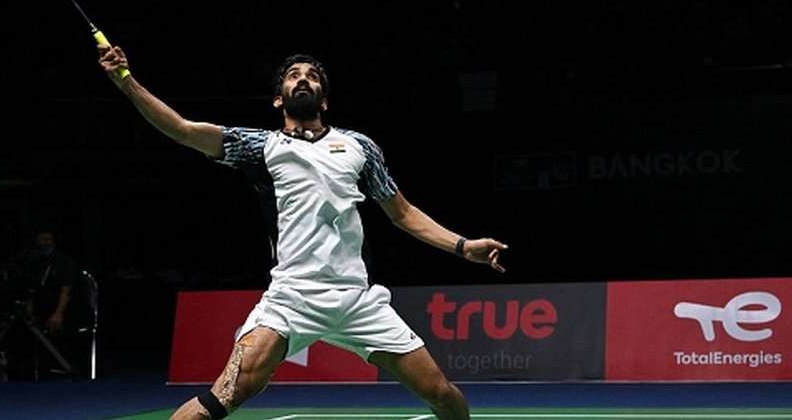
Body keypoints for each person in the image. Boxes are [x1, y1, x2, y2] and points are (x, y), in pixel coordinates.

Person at [98, 46, 508, 420]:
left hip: (357, 301)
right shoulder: (260, 146)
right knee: (220, 398)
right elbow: (184, 130)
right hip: (290, 300)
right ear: (279, 99)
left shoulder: (359, 147)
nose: (303, 79)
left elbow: (402, 213)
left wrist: (463, 245)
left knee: (443, 394)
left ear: (324, 100)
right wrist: (126, 81)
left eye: (311, 76)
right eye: (294, 75)